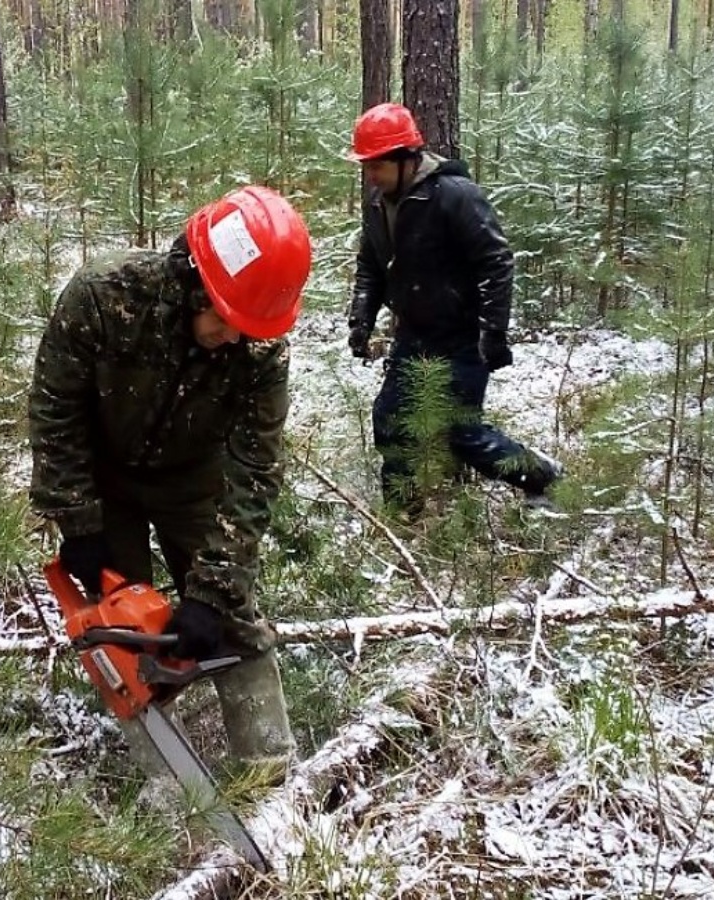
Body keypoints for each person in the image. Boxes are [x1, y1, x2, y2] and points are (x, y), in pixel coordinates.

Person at [28, 184, 311, 776]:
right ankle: (164, 782)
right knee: (123, 627)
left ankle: (273, 770)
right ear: (193, 281)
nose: (233, 337)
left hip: (194, 478)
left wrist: (210, 590)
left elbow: (255, 467)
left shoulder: (259, 350)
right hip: (106, 475)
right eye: (224, 319)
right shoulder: (104, 297)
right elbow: (57, 407)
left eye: (249, 327)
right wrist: (77, 518)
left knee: (231, 617)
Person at [346, 102, 561, 515]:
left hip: (461, 336)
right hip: (413, 334)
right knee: (390, 422)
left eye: (377, 165)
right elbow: (370, 265)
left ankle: (539, 475)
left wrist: (493, 331)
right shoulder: (378, 204)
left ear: (406, 159)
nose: (370, 174)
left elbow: (496, 261)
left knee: (463, 434)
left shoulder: (455, 195)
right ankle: (402, 519)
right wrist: (361, 320)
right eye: (366, 165)